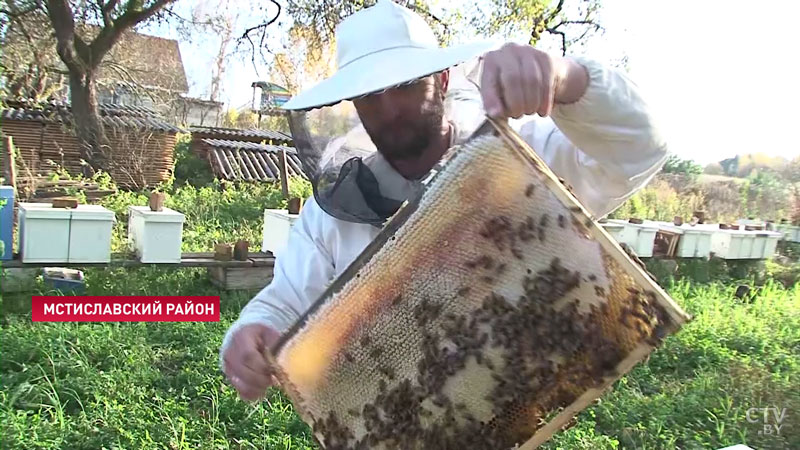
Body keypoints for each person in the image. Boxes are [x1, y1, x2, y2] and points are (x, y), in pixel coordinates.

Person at [219, 0, 668, 402]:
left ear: (443, 78)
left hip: (505, 404)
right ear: (353, 105)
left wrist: (570, 79)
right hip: (394, 416)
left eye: (407, 85)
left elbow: (639, 148)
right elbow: (288, 299)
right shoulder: (331, 212)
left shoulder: (523, 156)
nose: (391, 108)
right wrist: (252, 331)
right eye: (371, 96)